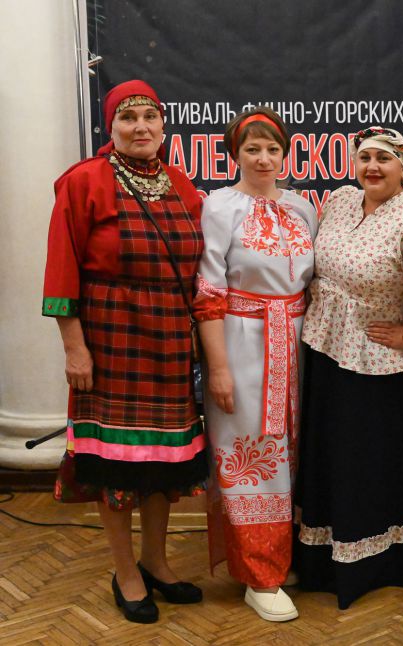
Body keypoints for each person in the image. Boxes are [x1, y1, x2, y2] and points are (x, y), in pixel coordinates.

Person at [42, 80, 205, 624]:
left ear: (163, 125)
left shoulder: (181, 185)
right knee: (114, 463)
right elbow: (62, 268)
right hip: (110, 337)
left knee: (163, 461)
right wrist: (75, 349)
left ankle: (156, 560)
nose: (140, 128)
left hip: (169, 339)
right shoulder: (83, 181)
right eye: (128, 118)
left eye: (149, 117)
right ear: (110, 127)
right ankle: (126, 571)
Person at [295, 126, 403, 609]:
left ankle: (380, 561)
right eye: (365, 157)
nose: (372, 166)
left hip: (378, 368)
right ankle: (323, 556)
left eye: (384, 159)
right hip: (327, 353)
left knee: (365, 462)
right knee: (332, 455)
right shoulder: (342, 201)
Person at [193, 108, 317, 621]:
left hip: (298, 341)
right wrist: (219, 368)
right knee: (250, 452)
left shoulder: (303, 207)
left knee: (293, 451)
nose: (264, 158)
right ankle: (258, 575)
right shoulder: (219, 206)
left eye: (273, 149)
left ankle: (284, 556)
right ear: (235, 154)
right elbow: (208, 291)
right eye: (252, 149)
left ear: (286, 154)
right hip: (242, 342)